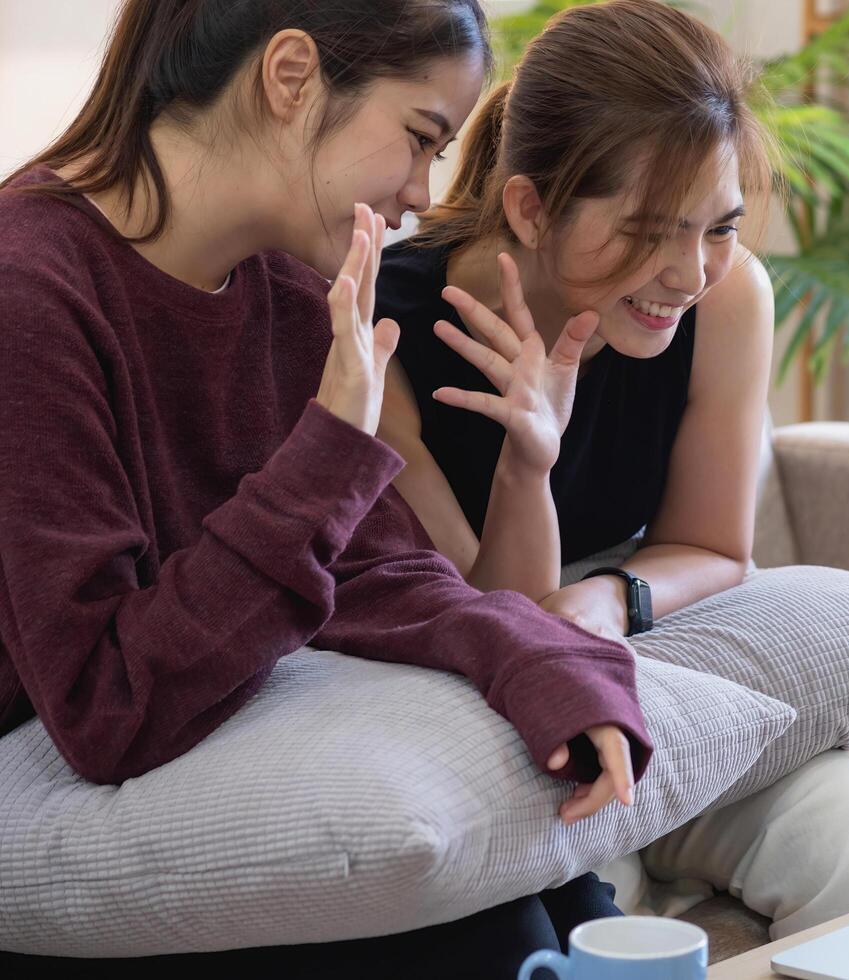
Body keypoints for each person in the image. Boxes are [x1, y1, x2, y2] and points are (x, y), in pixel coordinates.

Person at [0, 2, 643, 975]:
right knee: (494, 938)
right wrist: (329, 447)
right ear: (291, 75)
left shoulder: (287, 285)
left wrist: (548, 666)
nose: (425, 193)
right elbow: (105, 702)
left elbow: (382, 568)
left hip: (196, 716)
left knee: (569, 894)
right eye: (422, 138)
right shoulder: (29, 291)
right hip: (64, 794)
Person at [375, 0, 849, 942]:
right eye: (651, 230)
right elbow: (505, 621)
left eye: (717, 227)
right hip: (504, 683)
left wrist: (610, 599)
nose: (689, 272)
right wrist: (529, 463)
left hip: (644, 648)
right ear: (531, 206)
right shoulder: (390, 337)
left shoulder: (726, 298)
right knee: (597, 896)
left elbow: (717, 549)